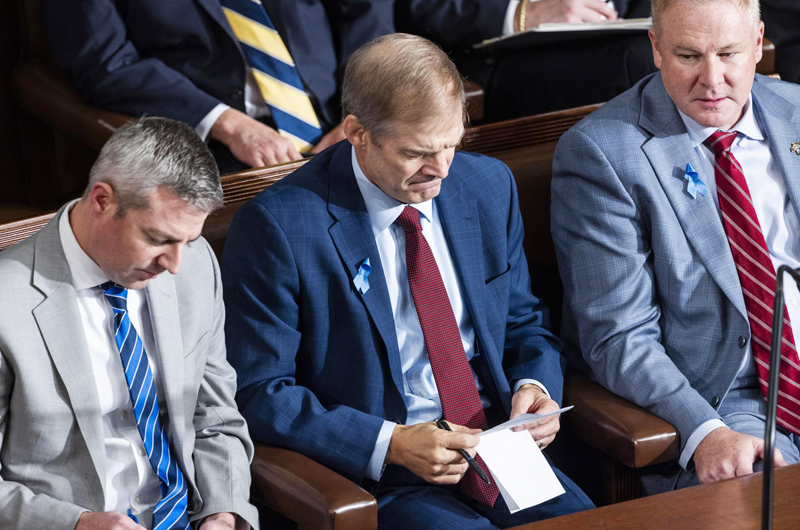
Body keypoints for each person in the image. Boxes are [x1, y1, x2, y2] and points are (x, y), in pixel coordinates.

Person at [222, 33, 593, 529]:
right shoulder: (281, 226)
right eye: (417, 152)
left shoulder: (485, 187)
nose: (440, 171)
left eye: (451, 146)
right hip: (378, 475)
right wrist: (390, 444)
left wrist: (535, 386)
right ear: (356, 132)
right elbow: (260, 390)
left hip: (498, 445)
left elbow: (524, 322)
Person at [551, 0, 800, 493]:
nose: (712, 80)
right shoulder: (603, 154)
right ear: (656, 47)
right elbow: (619, 337)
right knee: (770, 499)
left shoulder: (796, 113)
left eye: (729, 54)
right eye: (688, 56)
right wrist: (705, 432)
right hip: (730, 403)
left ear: (758, 44)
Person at [0, 117, 258, 529]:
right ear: (101, 200)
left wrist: (223, 512)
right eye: (158, 239)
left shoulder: (195, 267)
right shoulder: (6, 303)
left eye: (187, 241)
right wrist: (78, 524)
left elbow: (216, 415)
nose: (174, 264)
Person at [41, 0, 394, 172]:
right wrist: (229, 125)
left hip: (340, 114)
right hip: (206, 142)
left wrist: (361, 108)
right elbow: (105, 64)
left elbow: (364, 11)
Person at [395, 0, 657, 121]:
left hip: (615, 32)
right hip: (497, 54)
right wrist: (521, 13)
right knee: (647, 61)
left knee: (669, 51)